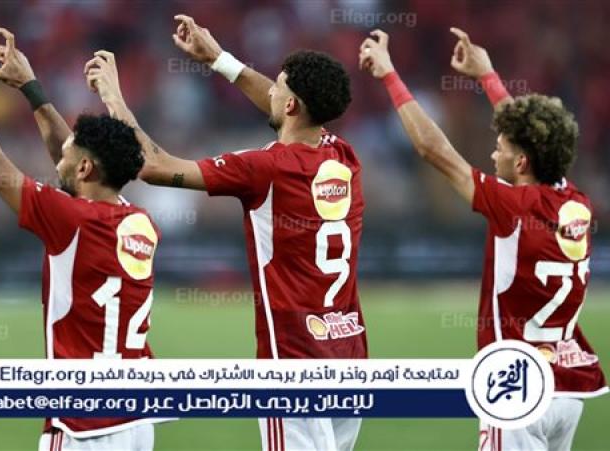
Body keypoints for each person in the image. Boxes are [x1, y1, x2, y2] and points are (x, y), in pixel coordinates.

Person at [81, 14, 366, 451]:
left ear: (291, 105)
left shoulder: (264, 168)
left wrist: (114, 98)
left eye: (279, 87)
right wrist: (218, 59)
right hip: (350, 358)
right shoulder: (343, 156)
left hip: (293, 363)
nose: (270, 91)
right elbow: (285, 105)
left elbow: (153, 166)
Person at [0, 22, 167, 451]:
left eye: (67, 156)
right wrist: (31, 90)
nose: (57, 159)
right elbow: (75, 159)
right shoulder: (140, 222)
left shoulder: (71, 220)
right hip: (137, 420)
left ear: (85, 169)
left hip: (83, 424)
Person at [358, 27, 607, 451]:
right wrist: (487, 77)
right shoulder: (576, 203)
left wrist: (389, 75)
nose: (493, 153)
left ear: (522, 161)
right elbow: (536, 138)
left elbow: (434, 151)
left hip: (516, 384)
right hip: (569, 386)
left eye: (500, 146)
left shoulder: (511, 206)